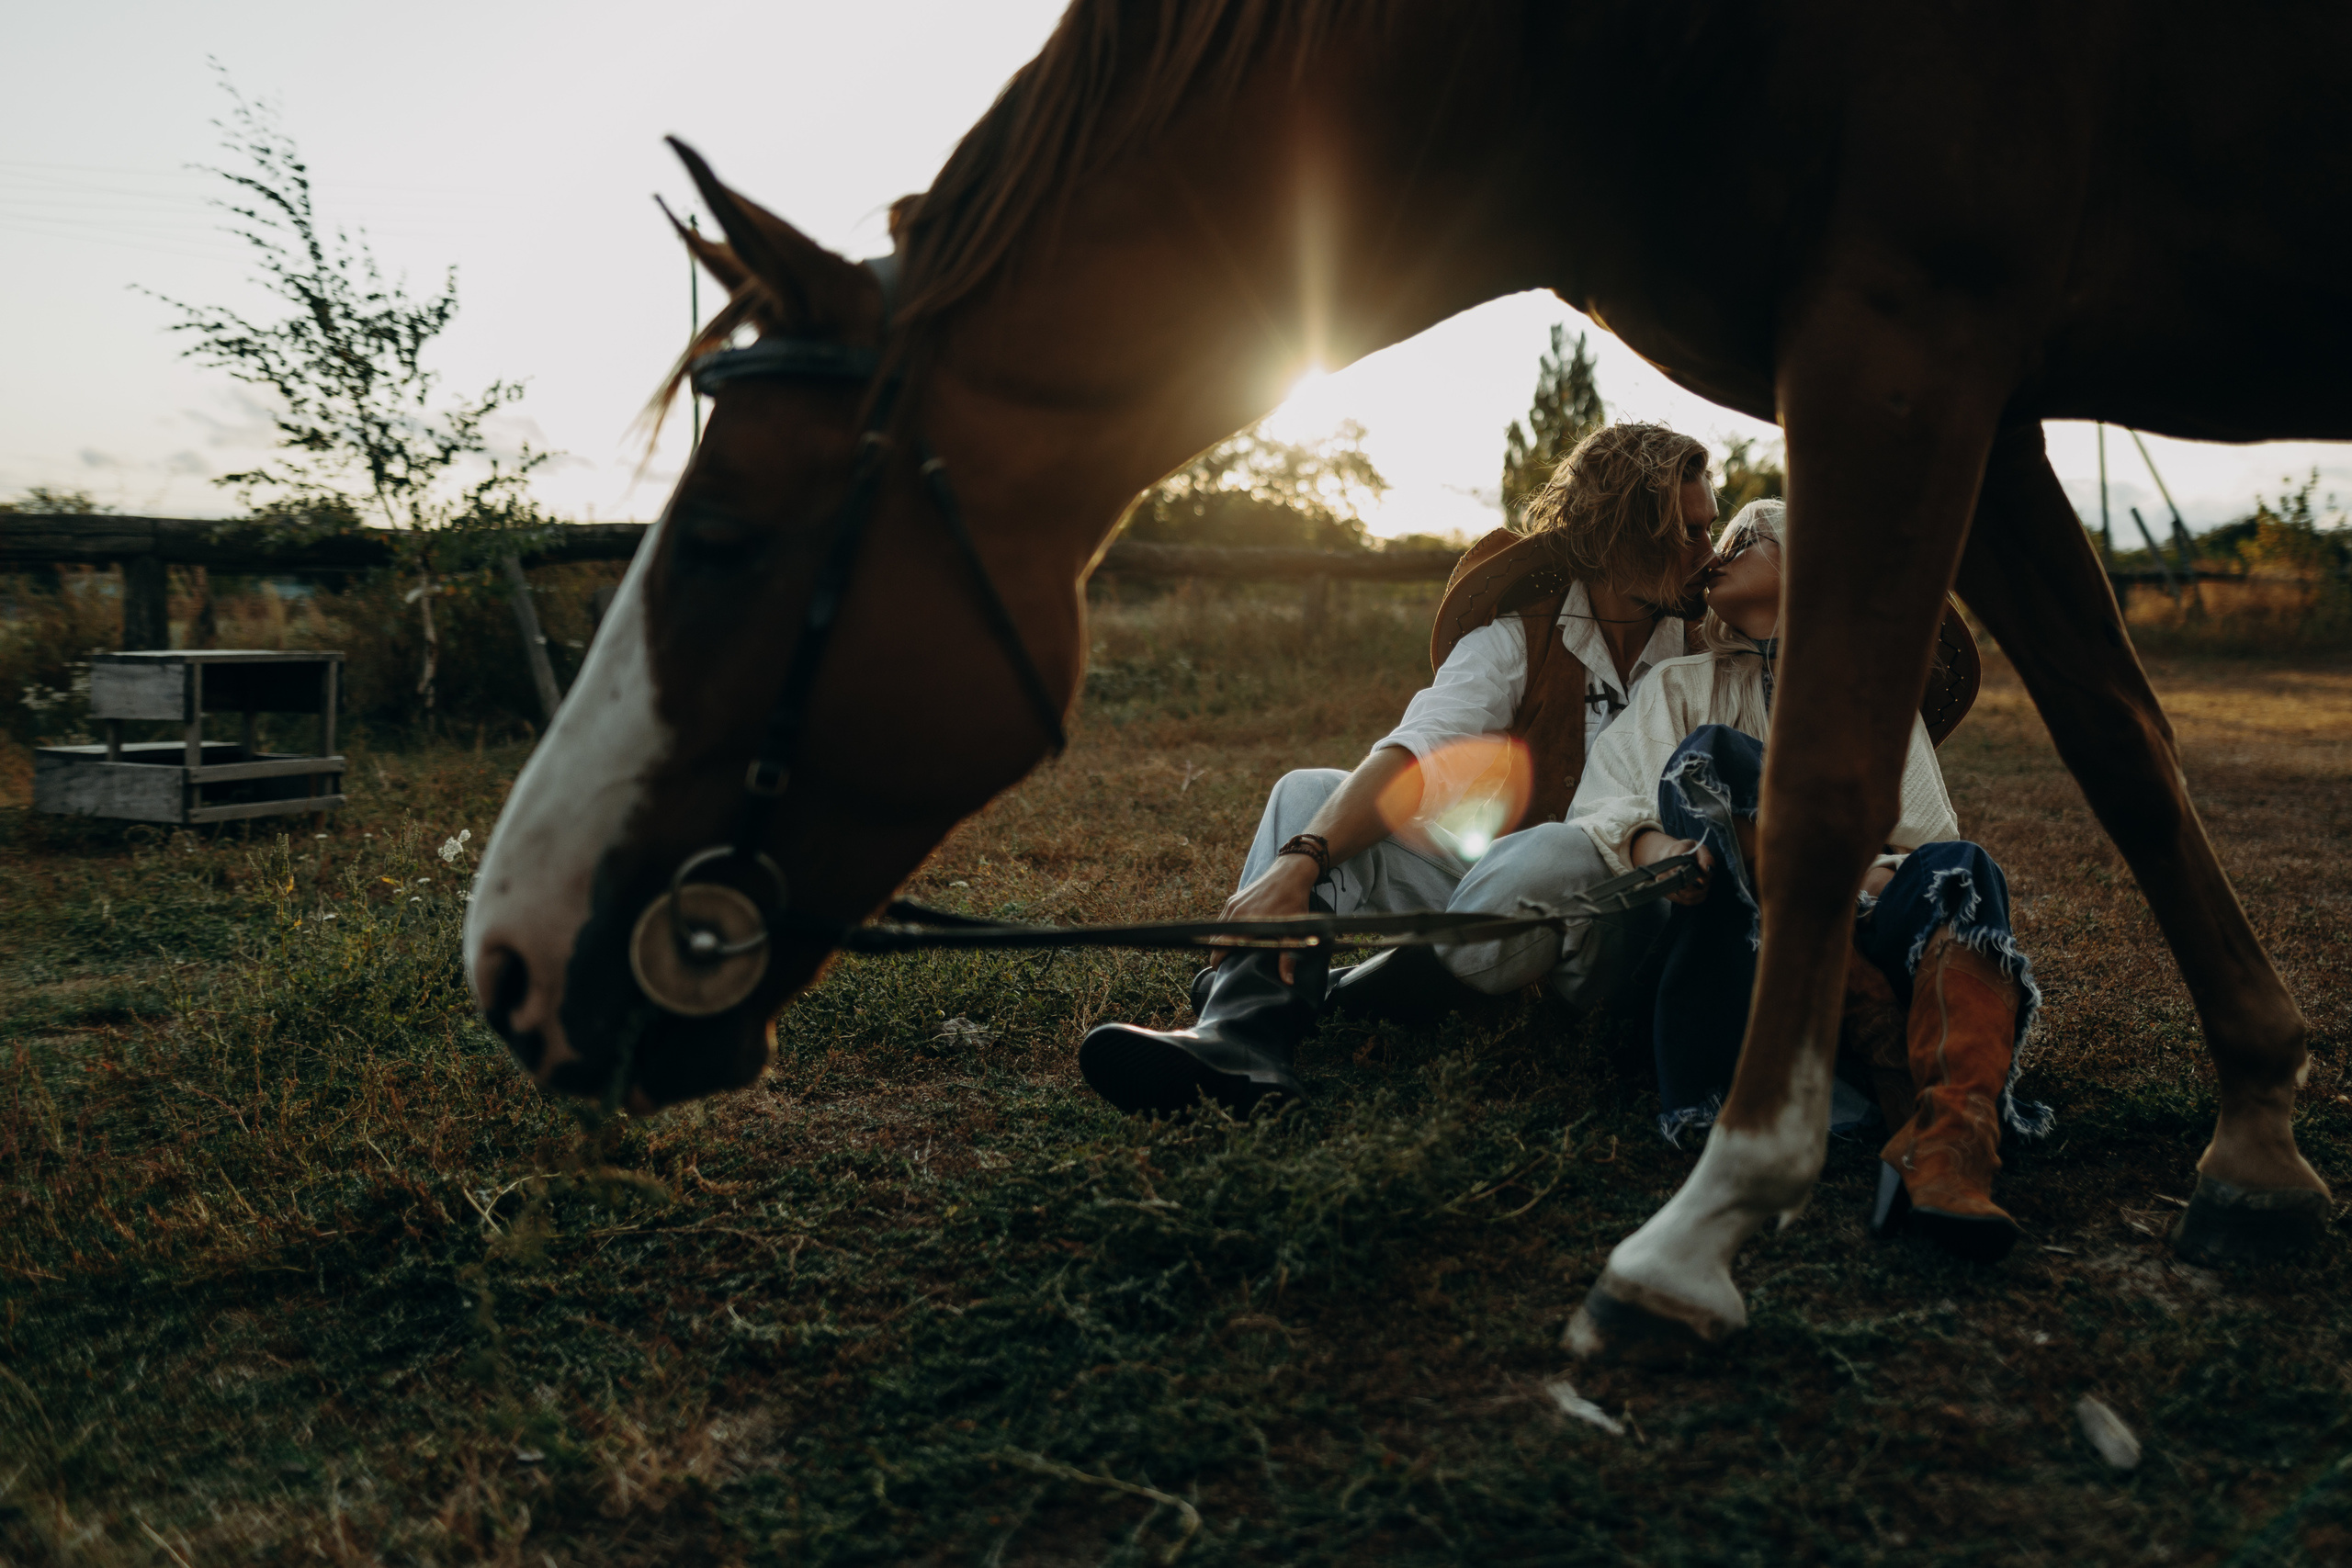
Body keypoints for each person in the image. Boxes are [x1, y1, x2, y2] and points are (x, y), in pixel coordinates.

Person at [1080, 423, 1719, 1119]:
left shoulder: (1709, 647)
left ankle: (1344, 994)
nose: (1709, 555)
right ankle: (1238, 1033)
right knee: (1308, 794)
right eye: (1689, 535)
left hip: (1618, 923)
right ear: (1618, 534)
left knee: (1558, 850)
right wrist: (1303, 858)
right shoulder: (1520, 635)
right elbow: (1417, 748)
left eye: (1709, 530)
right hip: (1488, 901)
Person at [1569, 499, 2047, 1262]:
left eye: (1742, 538)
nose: (1716, 553)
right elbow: (1601, 805)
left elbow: (1926, 845)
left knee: (1968, 869)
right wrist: (1664, 845)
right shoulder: (1678, 686)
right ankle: (1890, 1064)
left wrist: (1846, 876)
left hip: (1863, 922)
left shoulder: (1873, 700)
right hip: (1732, 941)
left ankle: (1953, 1142)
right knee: (1716, 755)